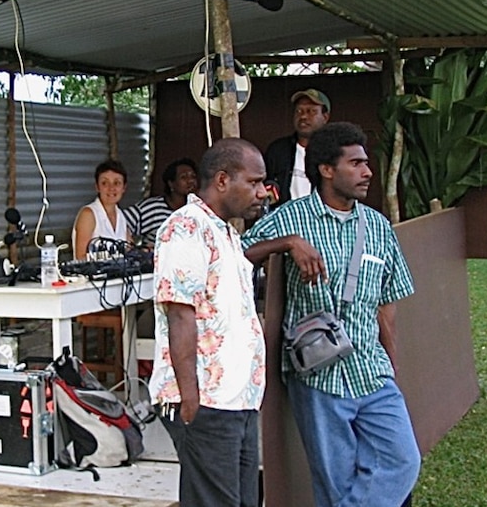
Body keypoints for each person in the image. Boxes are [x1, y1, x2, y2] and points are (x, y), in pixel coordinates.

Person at [241, 122, 420, 507]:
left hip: (372, 371)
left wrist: (392, 366)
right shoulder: (293, 217)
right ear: (326, 169)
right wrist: (287, 244)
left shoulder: (378, 227)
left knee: (403, 460)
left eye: (366, 163)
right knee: (334, 481)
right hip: (318, 374)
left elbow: (388, 306)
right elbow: (237, 254)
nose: (367, 172)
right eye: (355, 164)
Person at [148, 138, 268, 507]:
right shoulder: (185, 228)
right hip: (207, 403)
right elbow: (180, 313)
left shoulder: (225, 232)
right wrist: (191, 400)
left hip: (238, 401)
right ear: (221, 180)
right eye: (254, 182)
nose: (262, 192)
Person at [264, 88, 331, 206]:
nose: (304, 116)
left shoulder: (333, 152)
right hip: (285, 220)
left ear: (325, 117)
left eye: (311, 111)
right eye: (299, 111)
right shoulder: (278, 150)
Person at [122, 158, 198, 248]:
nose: (190, 181)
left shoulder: (199, 210)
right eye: (184, 177)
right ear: (171, 184)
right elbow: (120, 223)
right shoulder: (152, 208)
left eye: (193, 176)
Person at [72, 158, 131, 260]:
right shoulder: (88, 214)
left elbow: (128, 250)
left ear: (124, 188)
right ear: (97, 187)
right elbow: (80, 257)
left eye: (117, 183)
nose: (111, 188)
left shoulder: (121, 216)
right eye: (105, 183)